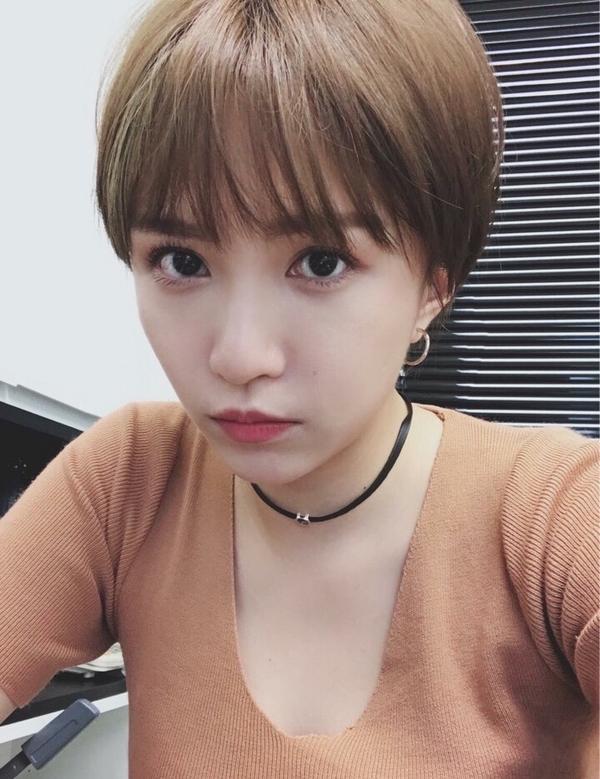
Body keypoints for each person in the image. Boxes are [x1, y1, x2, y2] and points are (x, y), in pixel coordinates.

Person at [1, 0, 598, 776]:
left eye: (321, 262)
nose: (240, 355)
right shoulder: (130, 481)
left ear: (433, 285)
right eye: (182, 260)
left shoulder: (551, 516)